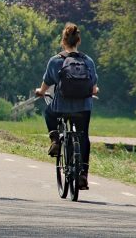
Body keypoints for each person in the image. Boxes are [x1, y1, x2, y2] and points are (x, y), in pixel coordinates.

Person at [35, 23, 98, 190]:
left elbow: (46, 84)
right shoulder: (88, 61)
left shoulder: (55, 60)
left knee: (48, 113)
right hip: (83, 107)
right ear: (79, 41)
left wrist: (40, 92)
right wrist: (94, 90)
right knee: (84, 136)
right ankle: (83, 173)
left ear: (63, 41)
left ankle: (55, 139)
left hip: (61, 106)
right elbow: (93, 87)